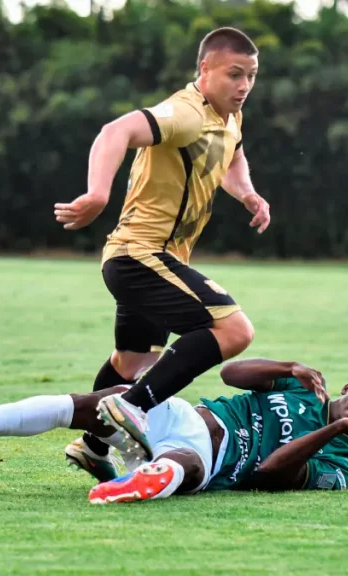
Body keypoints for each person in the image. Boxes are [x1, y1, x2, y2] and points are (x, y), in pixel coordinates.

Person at [52, 26, 271, 472]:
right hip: (140, 256)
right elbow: (115, 131)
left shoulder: (229, 115)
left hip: (149, 260)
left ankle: (93, 446)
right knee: (235, 331)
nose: (244, 85)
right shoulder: (185, 112)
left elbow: (232, 154)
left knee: (132, 361)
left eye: (251, 75)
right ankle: (131, 409)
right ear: (205, 69)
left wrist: (246, 193)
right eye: (234, 74)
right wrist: (97, 194)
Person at [0, 358, 348, 504]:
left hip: (212, 461)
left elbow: (268, 475)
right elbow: (231, 375)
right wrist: (289, 365)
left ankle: (131, 478)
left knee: (184, 467)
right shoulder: (304, 386)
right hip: (184, 416)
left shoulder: (338, 469)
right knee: (92, 402)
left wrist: (335, 429)